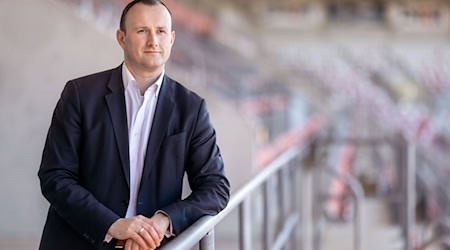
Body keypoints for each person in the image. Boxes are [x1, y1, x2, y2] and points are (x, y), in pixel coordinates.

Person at [38, 0, 230, 249]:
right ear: (121, 38)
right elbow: (55, 176)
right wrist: (112, 224)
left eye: (161, 31)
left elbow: (216, 187)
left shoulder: (192, 108)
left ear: (171, 39)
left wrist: (164, 220)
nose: (153, 41)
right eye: (142, 31)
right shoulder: (79, 94)